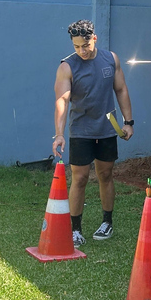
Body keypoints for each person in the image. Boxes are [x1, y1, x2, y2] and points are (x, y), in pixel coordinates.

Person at [52, 20, 133, 247]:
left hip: (107, 129)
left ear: (94, 38)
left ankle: (107, 222)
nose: (82, 51)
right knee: (79, 178)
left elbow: (121, 89)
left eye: (85, 45)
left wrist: (128, 122)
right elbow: (62, 100)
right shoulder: (67, 67)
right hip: (81, 131)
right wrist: (59, 134)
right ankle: (75, 229)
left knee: (105, 175)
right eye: (77, 46)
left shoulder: (111, 59)